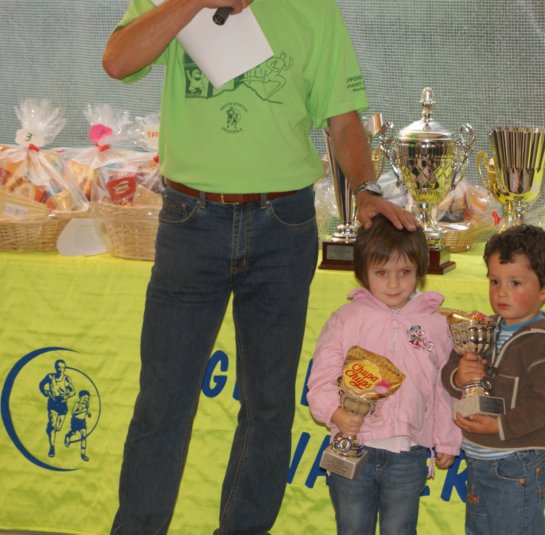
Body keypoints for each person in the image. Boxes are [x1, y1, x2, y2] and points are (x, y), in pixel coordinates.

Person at [102, 1, 416, 533]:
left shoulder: (314, 10)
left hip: (283, 224)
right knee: (163, 400)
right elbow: (117, 61)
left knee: (268, 406)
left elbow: (343, 118)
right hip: (190, 220)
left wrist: (365, 189)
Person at [307, 215, 462, 535]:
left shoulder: (435, 324)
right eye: (381, 273)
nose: (394, 284)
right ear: (363, 272)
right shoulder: (345, 319)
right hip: (352, 447)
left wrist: (447, 438)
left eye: (404, 272)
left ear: (419, 271)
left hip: (409, 454)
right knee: (352, 529)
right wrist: (336, 414)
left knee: (400, 530)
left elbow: (443, 387)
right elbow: (321, 379)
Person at [441, 225, 545, 535]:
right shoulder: (483, 328)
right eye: (494, 281)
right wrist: (458, 375)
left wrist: (499, 425)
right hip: (478, 460)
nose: (501, 292)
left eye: (515, 282)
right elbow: (451, 367)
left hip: (518, 463)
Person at [39, 359, 75, 458]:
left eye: (62, 367)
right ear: (55, 368)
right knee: (53, 426)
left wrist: (67, 396)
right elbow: (41, 384)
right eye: (58, 367)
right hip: (53, 403)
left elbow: (73, 392)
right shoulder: (50, 377)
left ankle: (50, 428)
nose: (60, 369)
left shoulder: (67, 379)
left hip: (63, 405)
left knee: (58, 428)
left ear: (65, 369)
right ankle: (52, 447)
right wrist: (45, 392)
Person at [64, 390, 92, 462]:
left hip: (82, 422)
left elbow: (87, 410)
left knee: (84, 436)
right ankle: (68, 436)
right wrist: (82, 411)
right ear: (80, 397)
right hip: (75, 421)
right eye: (85, 398)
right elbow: (73, 413)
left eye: (88, 399)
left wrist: (88, 414)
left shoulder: (86, 405)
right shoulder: (77, 404)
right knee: (73, 432)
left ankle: (83, 454)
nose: (86, 400)